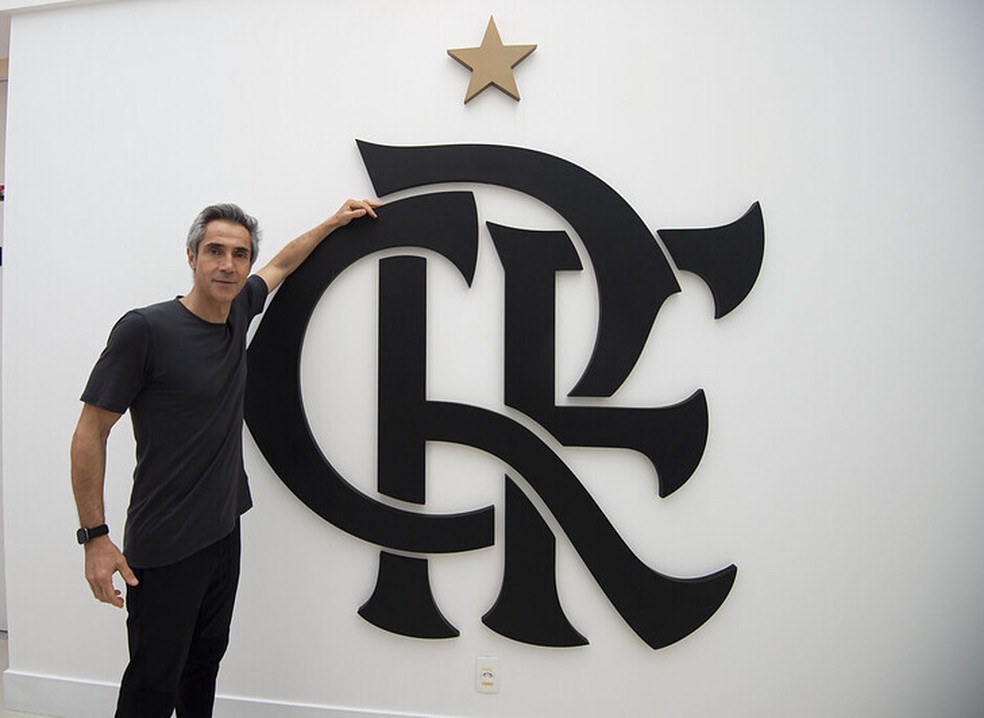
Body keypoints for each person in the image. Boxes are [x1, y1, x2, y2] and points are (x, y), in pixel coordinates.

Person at [70, 199, 379, 718]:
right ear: (191, 256)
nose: (228, 265)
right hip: (165, 543)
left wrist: (333, 222)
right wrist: (94, 539)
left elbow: (281, 265)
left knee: (203, 667)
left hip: (222, 532)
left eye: (239, 254)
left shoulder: (238, 310)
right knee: (152, 683)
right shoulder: (145, 330)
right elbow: (89, 433)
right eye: (215, 251)